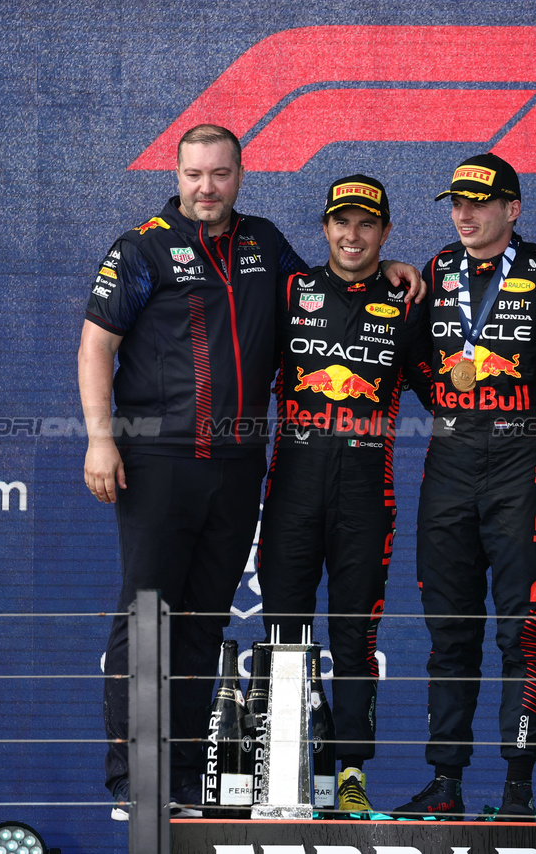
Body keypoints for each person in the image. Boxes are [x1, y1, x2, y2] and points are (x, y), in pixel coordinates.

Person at [79, 125, 421, 820]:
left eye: (221, 174)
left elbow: (333, 282)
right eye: (195, 174)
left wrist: (391, 268)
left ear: (240, 174)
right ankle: (131, 777)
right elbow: (96, 344)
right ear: (176, 173)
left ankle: (179, 776)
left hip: (238, 466)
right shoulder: (142, 246)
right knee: (147, 615)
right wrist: (98, 439)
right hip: (159, 461)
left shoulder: (265, 243)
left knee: (204, 622)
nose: (207, 187)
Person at [393, 153, 536, 821]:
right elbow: (405, 347)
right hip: (449, 458)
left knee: (522, 632)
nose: (464, 213)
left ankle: (517, 794)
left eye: (480, 202)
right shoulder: (437, 269)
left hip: (520, 460)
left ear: (513, 208)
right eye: (457, 202)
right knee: (449, 633)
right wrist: (441, 395)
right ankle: (445, 785)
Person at [258, 175, 432, 816]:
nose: (352, 235)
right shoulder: (289, 293)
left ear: (385, 232)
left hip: (366, 495)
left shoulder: (407, 304)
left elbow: (445, 388)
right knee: (283, 632)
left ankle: (352, 773)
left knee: (356, 638)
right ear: (325, 228)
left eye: (366, 224)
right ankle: (280, 769)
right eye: (341, 223)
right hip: (292, 491)